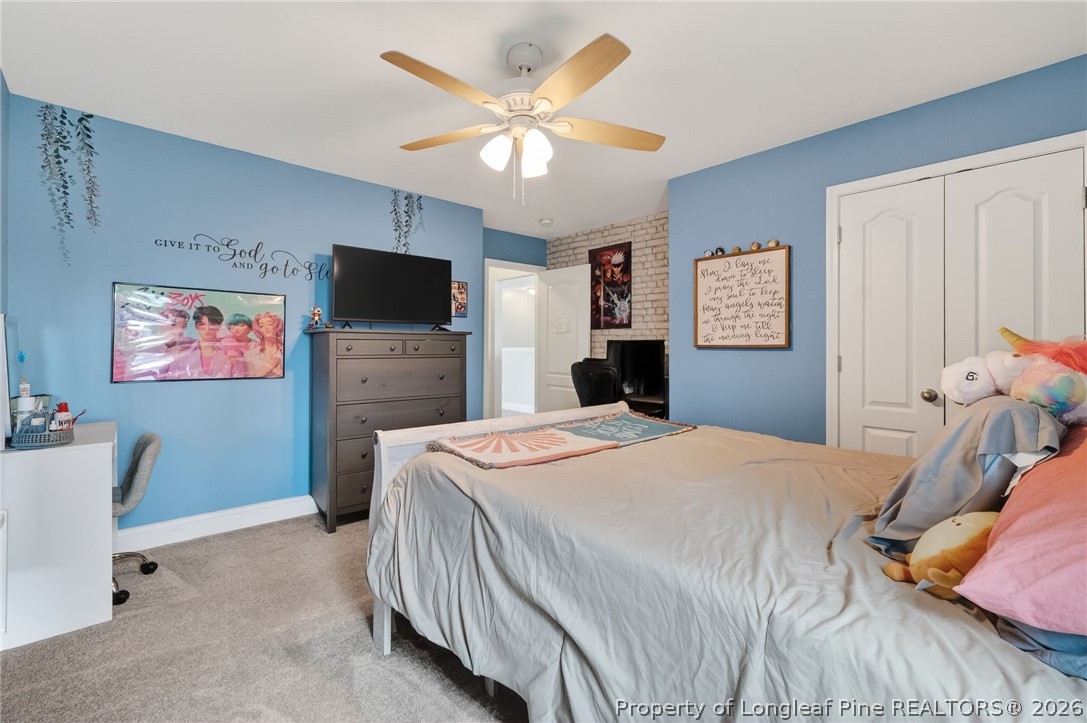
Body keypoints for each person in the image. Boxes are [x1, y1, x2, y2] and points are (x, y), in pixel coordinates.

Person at [167, 305, 245, 379]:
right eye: (202, 324)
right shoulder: (182, 353)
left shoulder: (232, 352)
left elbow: (241, 382)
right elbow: (170, 383)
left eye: (212, 324)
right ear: (196, 326)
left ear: (219, 326)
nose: (207, 329)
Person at [245, 311, 284, 378]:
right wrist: (264, 371)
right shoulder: (250, 355)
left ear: (277, 326)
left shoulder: (287, 351)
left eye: (270, 324)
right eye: (261, 326)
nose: (266, 328)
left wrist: (279, 372)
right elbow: (248, 383)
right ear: (258, 330)